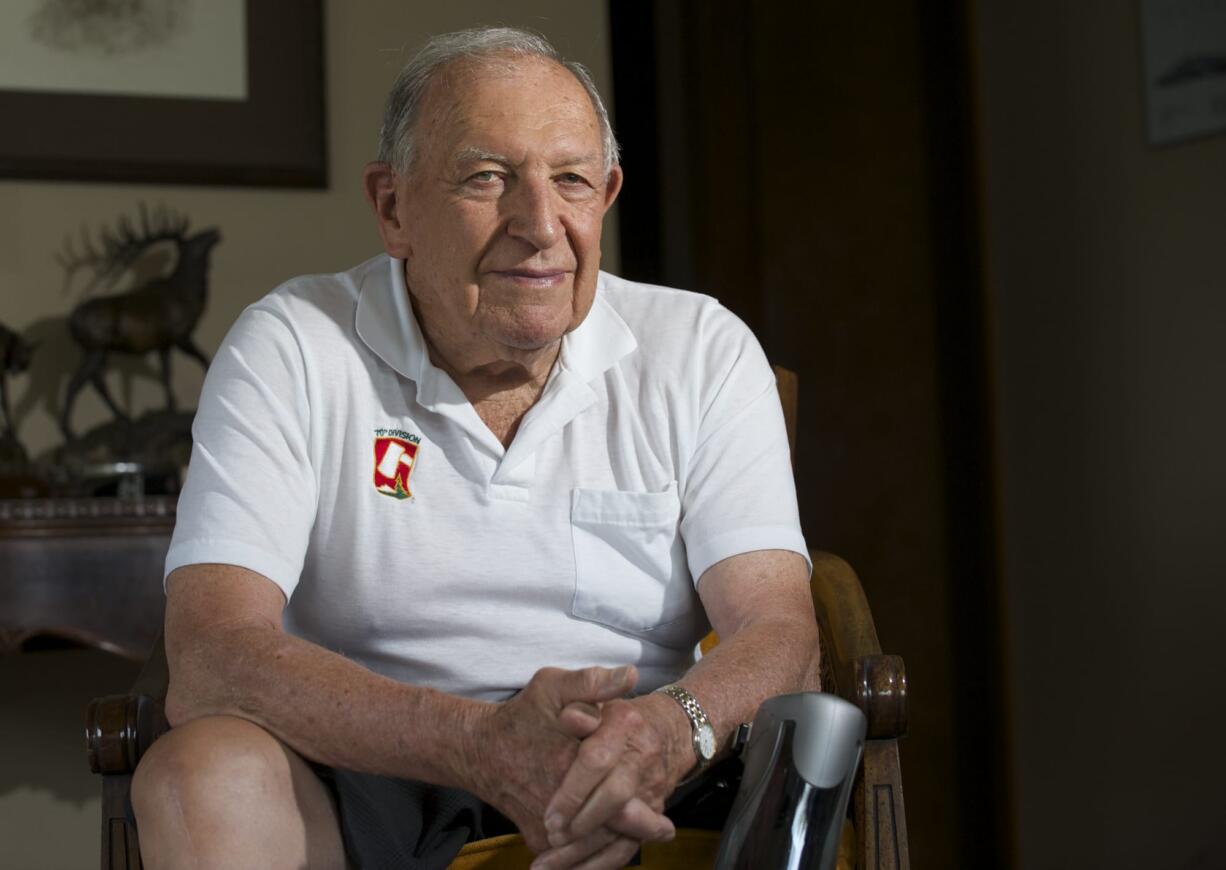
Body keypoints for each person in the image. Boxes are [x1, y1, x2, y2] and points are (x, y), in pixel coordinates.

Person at [130, 26, 818, 870]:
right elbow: (210, 653)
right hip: (369, 766)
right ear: (392, 209)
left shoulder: (702, 348)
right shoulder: (293, 345)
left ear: (606, 195)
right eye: (488, 178)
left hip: (641, 760)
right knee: (199, 776)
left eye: (571, 181)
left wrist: (669, 730)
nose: (539, 224)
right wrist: (476, 742)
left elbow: (780, 632)